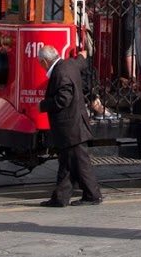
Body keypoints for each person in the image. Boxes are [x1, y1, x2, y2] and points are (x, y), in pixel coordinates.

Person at [37, 44, 104, 208]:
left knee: (81, 164)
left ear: (45, 61)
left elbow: (63, 99)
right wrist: (82, 55)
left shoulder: (60, 73)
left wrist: (43, 105)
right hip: (73, 127)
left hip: (71, 127)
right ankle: (61, 198)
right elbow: (80, 61)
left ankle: (93, 195)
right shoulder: (69, 64)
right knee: (67, 163)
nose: (41, 66)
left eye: (40, 63)